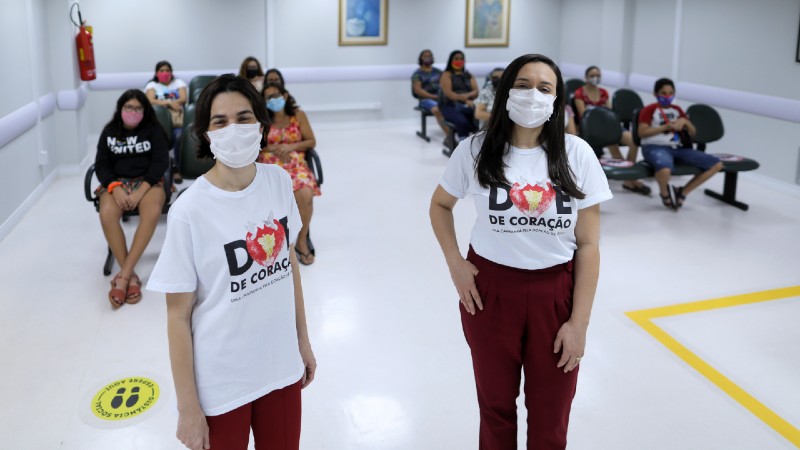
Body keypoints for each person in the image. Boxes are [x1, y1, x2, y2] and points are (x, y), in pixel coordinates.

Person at [430, 54, 612, 449]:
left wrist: (578, 323)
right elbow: (440, 205)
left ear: (557, 100)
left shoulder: (577, 154)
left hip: (555, 293)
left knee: (551, 413)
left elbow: (589, 244)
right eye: (524, 85)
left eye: (545, 88)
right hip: (490, 291)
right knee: (495, 407)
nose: (533, 95)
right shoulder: (475, 150)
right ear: (506, 92)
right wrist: (456, 264)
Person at [147, 74, 316, 450]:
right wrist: (188, 407)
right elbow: (177, 317)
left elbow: (289, 270)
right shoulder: (189, 211)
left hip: (280, 367)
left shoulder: (278, 182)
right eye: (220, 122)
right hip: (222, 384)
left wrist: (302, 342)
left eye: (243, 118)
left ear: (260, 123)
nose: (234, 129)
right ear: (206, 133)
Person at [95, 89, 169, 309]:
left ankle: (124, 275)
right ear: (121, 109)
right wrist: (115, 187)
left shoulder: (153, 130)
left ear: (145, 111)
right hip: (116, 183)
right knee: (107, 213)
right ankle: (132, 276)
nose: (133, 112)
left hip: (148, 182)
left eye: (138, 108)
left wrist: (140, 190)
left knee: (153, 211)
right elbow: (101, 165)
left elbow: (160, 162)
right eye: (129, 107)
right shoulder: (109, 132)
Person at [638, 77, 723, 210]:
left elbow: (694, 133)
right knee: (665, 170)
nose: (667, 96)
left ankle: (682, 192)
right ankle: (665, 194)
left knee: (716, 164)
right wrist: (665, 127)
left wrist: (686, 122)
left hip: (678, 147)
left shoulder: (677, 109)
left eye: (670, 93)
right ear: (655, 94)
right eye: (663, 93)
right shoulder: (649, 109)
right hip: (654, 146)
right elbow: (642, 132)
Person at [259, 83, 319, 266]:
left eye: (276, 95)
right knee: (271, 197)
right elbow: (257, 145)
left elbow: (311, 141)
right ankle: (276, 242)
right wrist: (275, 149)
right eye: (268, 97)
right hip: (270, 163)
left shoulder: (297, 115)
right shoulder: (261, 119)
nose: (273, 100)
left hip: (295, 162)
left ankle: (301, 239)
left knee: (305, 193)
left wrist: (290, 147)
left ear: (285, 96)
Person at [573, 65, 650, 195]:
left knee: (633, 140)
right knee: (611, 141)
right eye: (592, 75)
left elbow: (610, 112)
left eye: (597, 75)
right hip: (591, 127)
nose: (595, 78)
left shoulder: (603, 92)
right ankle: (631, 180)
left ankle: (627, 176)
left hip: (607, 125)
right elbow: (584, 114)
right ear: (586, 77)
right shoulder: (579, 93)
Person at [145, 60, 187, 184]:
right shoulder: (152, 85)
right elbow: (150, 100)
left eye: (167, 70)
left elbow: (184, 98)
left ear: (171, 72)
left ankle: (177, 167)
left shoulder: (178, 83)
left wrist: (165, 103)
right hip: (158, 120)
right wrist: (169, 102)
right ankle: (162, 168)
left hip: (177, 120)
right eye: (162, 70)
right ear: (156, 73)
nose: (165, 73)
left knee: (179, 136)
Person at [439, 50, 479, 142]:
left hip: (470, 104)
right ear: (451, 60)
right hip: (451, 105)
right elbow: (449, 94)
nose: (459, 61)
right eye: (456, 59)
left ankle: (478, 144)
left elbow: (476, 91)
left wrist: (467, 95)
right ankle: (463, 146)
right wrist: (465, 100)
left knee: (479, 119)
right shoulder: (446, 74)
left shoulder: (469, 75)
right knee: (462, 122)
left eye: (461, 59)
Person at [411, 49, 449, 135]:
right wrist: (434, 97)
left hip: (441, 97)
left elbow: (446, 84)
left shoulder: (438, 72)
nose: (428, 58)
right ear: (421, 58)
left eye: (430, 56)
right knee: (436, 110)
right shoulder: (417, 74)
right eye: (425, 56)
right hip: (426, 100)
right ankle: (449, 136)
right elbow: (418, 90)